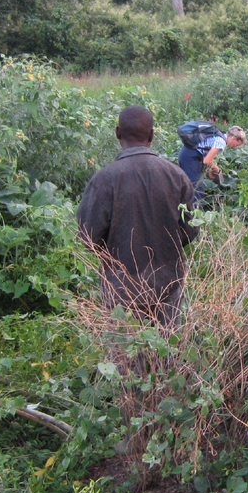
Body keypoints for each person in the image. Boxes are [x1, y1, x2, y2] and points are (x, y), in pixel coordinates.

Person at [76, 105, 199, 327]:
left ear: (118, 133)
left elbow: (88, 237)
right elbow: (190, 230)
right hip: (167, 282)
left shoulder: (104, 179)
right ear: (152, 135)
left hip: (120, 287)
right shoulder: (177, 176)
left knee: (126, 358)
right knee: (167, 353)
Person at [177, 123, 247, 205]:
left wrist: (210, 169)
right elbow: (207, 161)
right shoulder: (221, 142)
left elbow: (207, 155)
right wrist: (216, 168)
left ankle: (184, 206)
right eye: (237, 145)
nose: (235, 147)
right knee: (197, 188)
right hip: (189, 156)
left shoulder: (220, 136)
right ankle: (194, 212)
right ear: (235, 139)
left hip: (187, 153)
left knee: (190, 184)